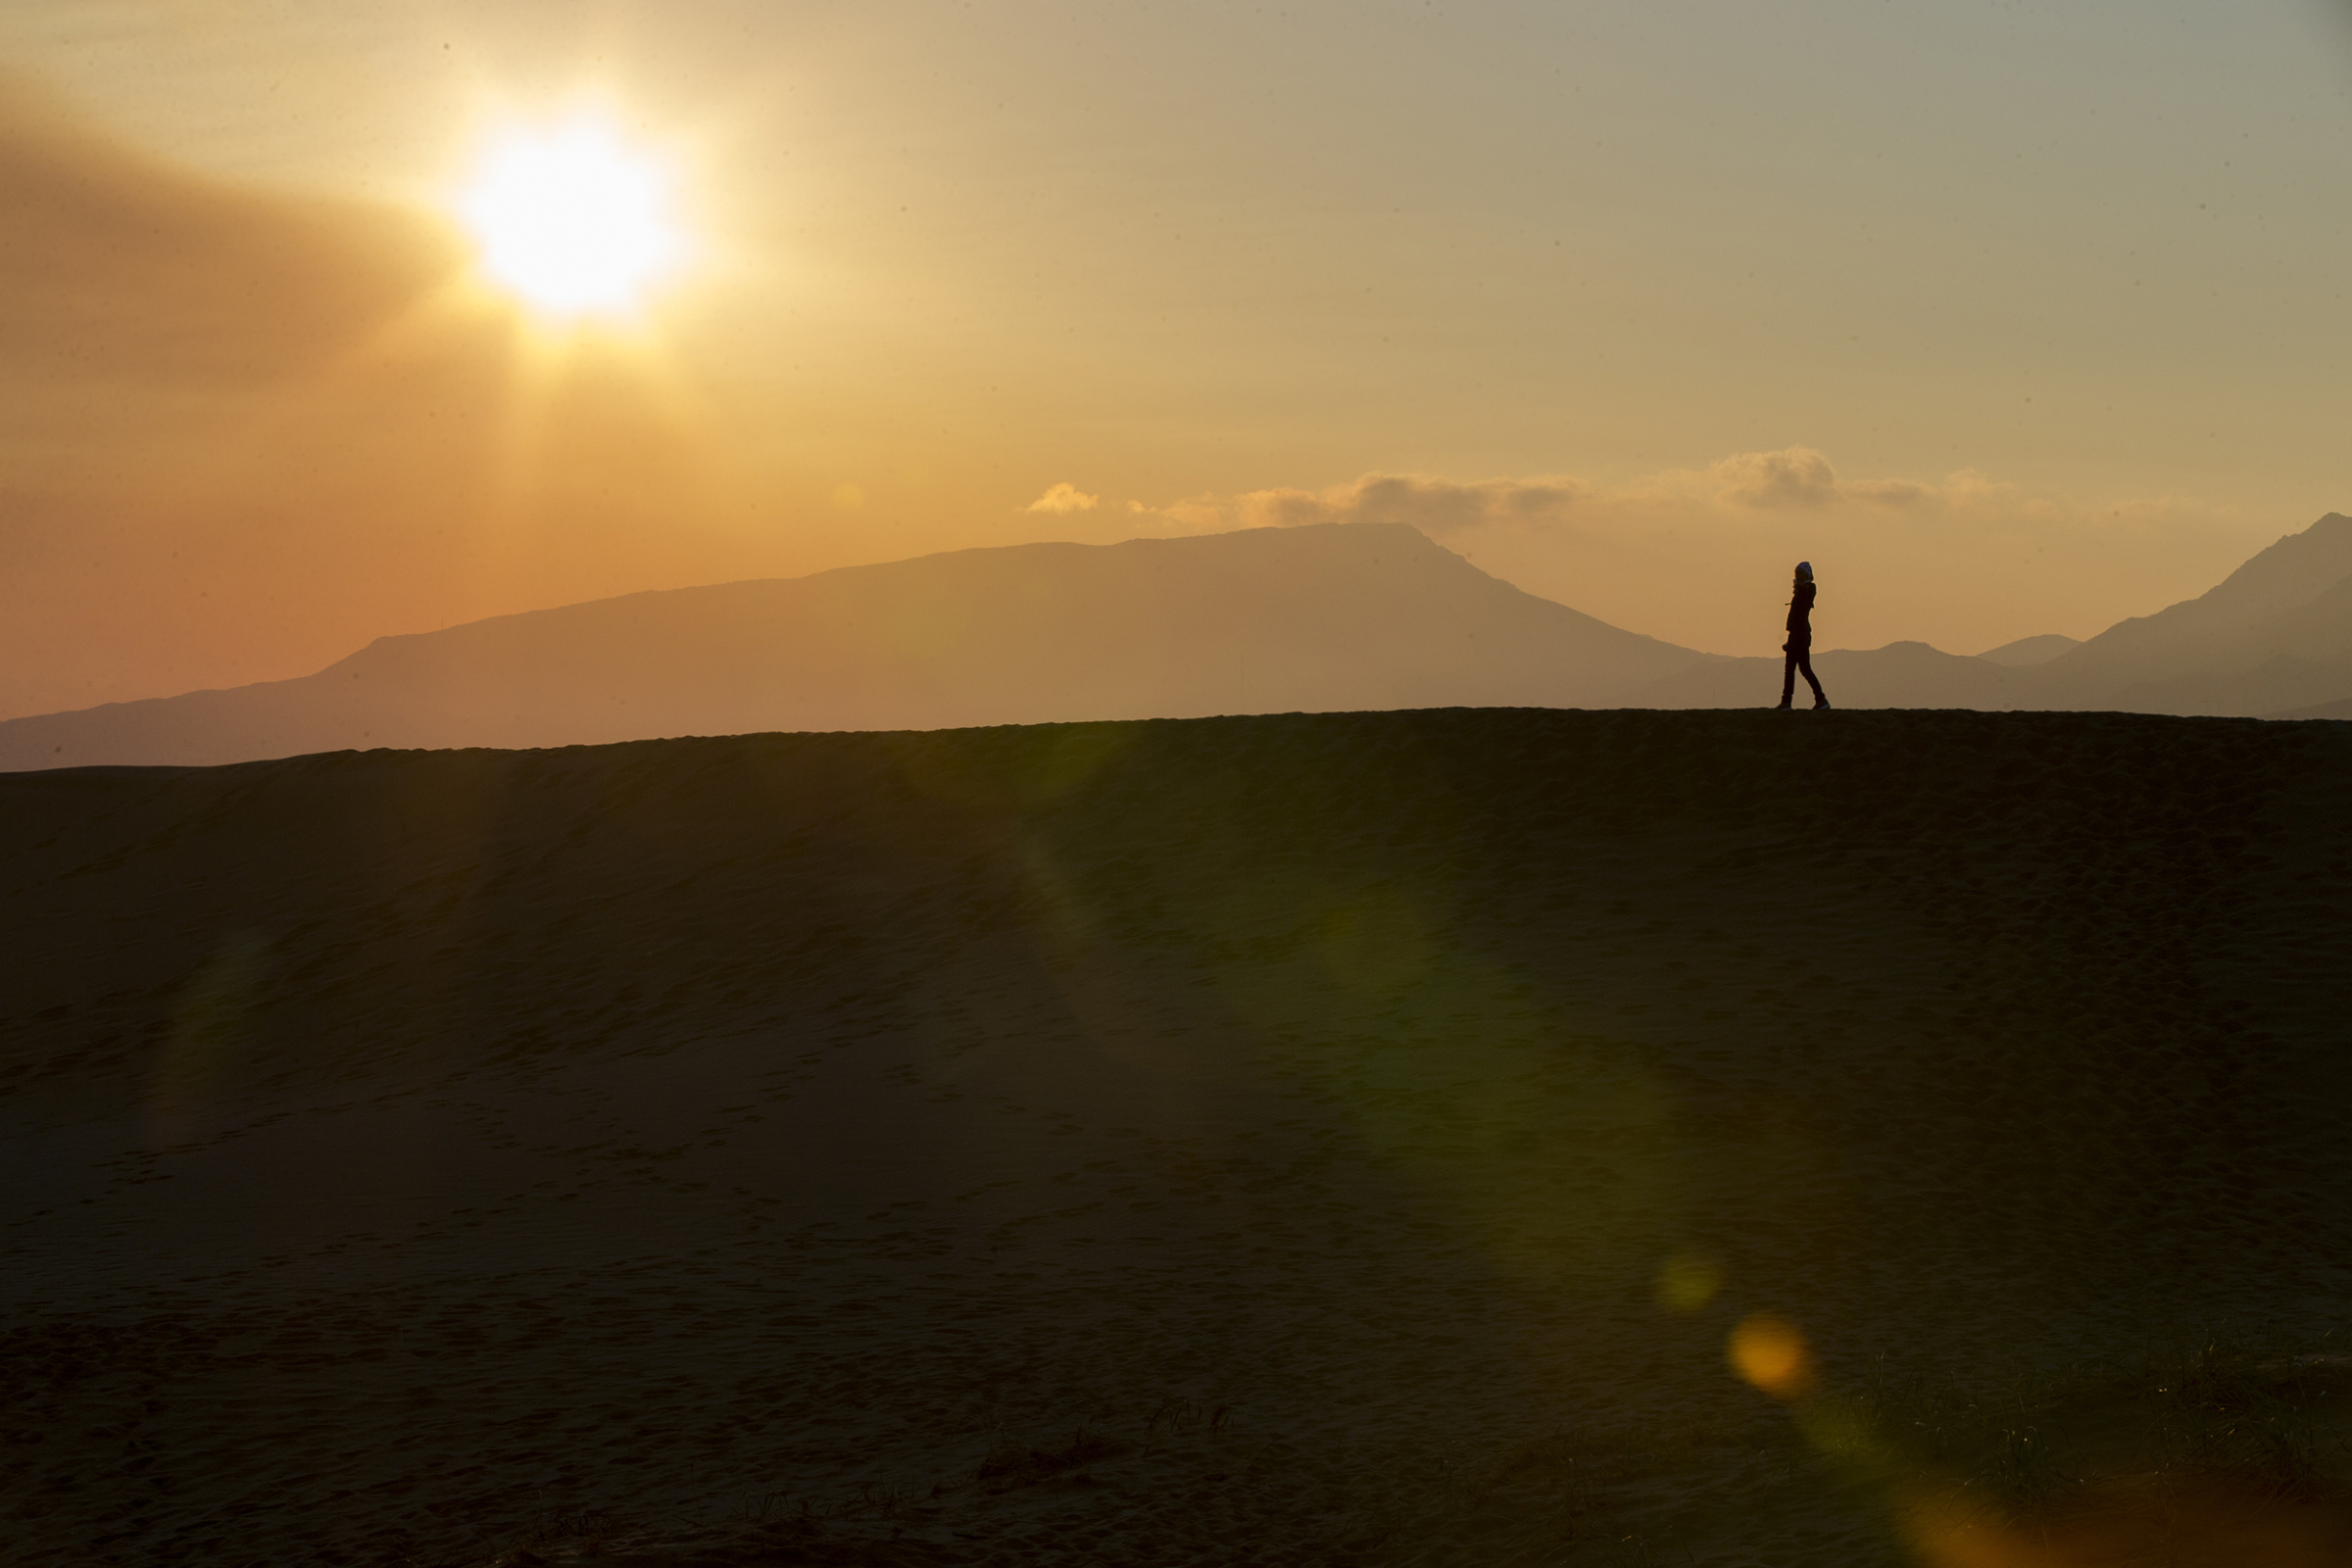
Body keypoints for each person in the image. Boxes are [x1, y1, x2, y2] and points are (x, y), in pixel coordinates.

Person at [1777, 561, 1831, 710]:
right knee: (1801, 669)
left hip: (1800, 635)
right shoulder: (1804, 590)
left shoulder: (1809, 588)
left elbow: (1806, 592)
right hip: (1797, 635)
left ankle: (1789, 702)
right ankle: (1819, 699)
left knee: (1796, 669)